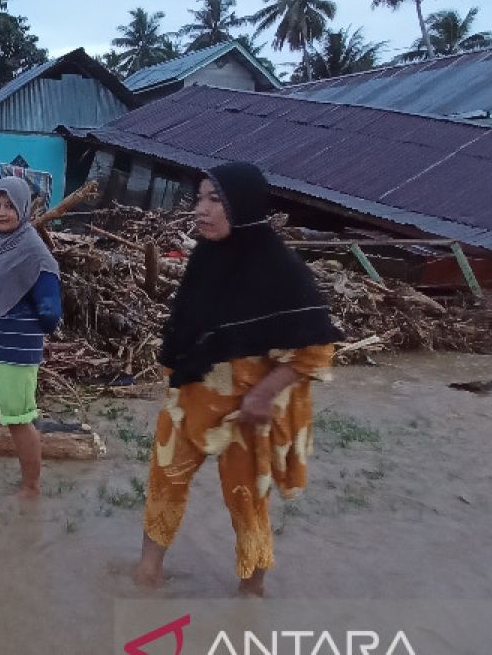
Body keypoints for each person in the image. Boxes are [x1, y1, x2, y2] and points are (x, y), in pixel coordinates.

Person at [133, 162, 342, 596]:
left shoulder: (279, 268)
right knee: (165, 479)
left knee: (247, 500)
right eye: (199, 198)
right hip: (192, 396)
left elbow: (317, 348)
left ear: (242, 206)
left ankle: (251, 592)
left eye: (215, 200)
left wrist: (265, 393)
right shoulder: (207, 257)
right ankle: (147, 573)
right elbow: (188, 329)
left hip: (246, 411)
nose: (200, 210)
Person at [0, 176, 62, 498]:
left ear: (23, 208)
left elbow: (50, 310)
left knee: (18, 419)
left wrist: (22, 328)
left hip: (14, 351)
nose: (1, 212)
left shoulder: (33, 250)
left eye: (9, 206)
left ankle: (31, 487)